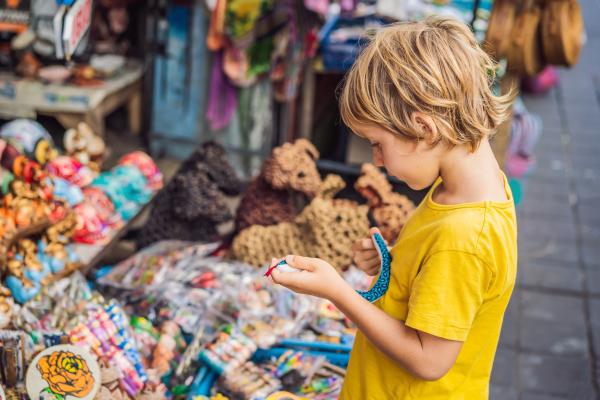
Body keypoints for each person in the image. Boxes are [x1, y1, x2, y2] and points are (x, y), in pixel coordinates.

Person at [269, 16, 517, 399]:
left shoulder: (464, 237)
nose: (377, 160)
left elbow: (428, 361)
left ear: (424, 129)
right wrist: (392, 265)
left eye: (377, 143)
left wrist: (338, 292)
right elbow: (432, 279)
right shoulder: (466, 189)